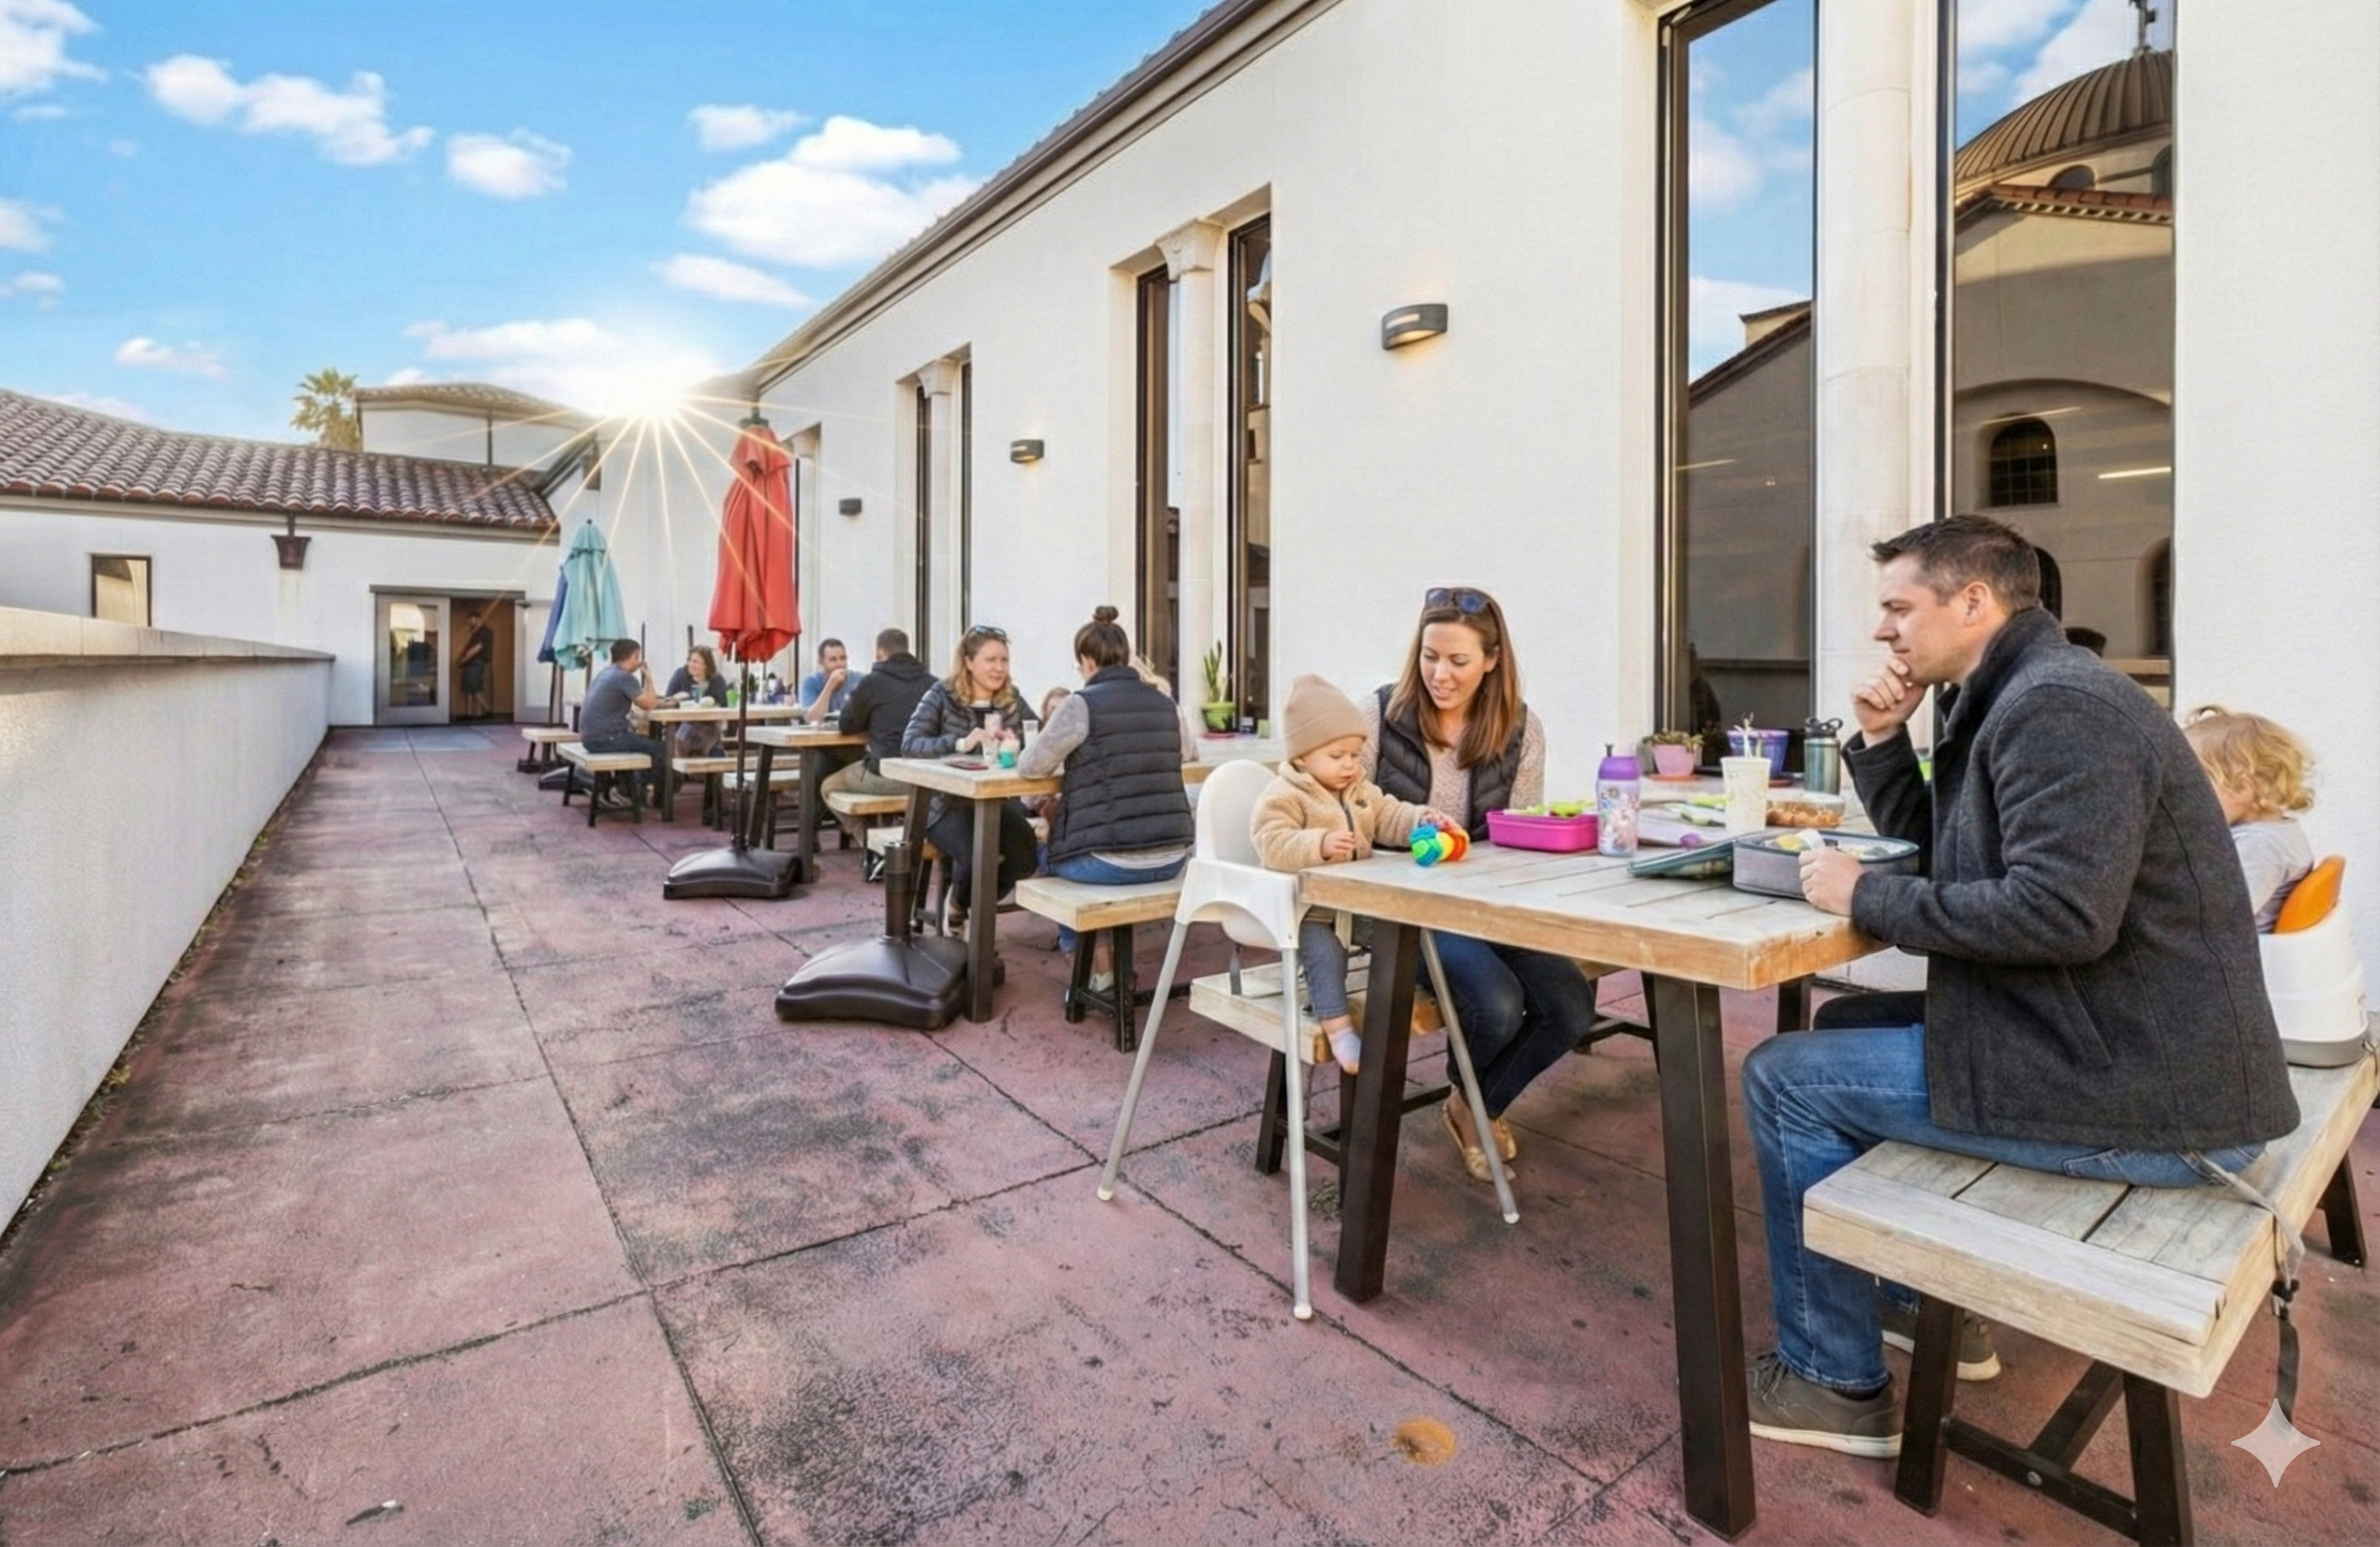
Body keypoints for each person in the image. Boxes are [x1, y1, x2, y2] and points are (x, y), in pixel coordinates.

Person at [1741, 514, 2297, 1459]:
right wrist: (1880, 739)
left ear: (1972, 601)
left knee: (1781, 1074)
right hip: (2114, 1041)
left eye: (1897, 606)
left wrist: (1865, 891)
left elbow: (2060, 915)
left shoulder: (2059, 708)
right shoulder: (2010, 697)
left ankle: (1834, 1378)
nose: (1883, 631)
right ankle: (1913, 1298)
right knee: (1848, 1015)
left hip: (2156, 1095)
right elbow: (1957, 859)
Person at [1362, 587, 1594, 1181]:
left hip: (1489, 902)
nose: (1440, 674)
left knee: (1569, 1005)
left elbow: (1520, 832)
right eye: (1430, 656)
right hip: (1403, 908)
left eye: (1458, 661)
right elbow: (1345, 803)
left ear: (1492, 659)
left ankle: (1473, 1103)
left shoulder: (1520, 729)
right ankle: (1477, 1109)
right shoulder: (1380, 715)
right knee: (1495, 1003)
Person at [1253, 675, 1446, 1073]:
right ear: (1303, 756)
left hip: (1356, 903)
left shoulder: (1359, 789)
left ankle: (1408, 1002)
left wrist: (1418, 820)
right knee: (1326, 956)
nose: (1349, 765)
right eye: (1337, 755)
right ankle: (1338, 1029)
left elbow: (1389, 814)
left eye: (1356, 755)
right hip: (1308, 910)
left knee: (1401, 932)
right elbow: (1270, 842)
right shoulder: (1284, 794)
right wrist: (1317, 844)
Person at [1017, 607, 1197, 989]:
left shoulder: (1081, 704)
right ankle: (1101, 966)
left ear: (1086, 660)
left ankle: (1093, 967)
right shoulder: (1165, 703)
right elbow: (1187, 752)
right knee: (1091, 850)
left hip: (1109, 861)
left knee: (1050, 853)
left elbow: (1031, 766)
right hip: (1173, 856)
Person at [902, 624, 1039, 933]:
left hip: (994, 802)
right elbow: (910, 743)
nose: (999, 668)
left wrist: (1018, 741)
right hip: (945, 805)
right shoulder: (942, 694)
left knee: (1025, 855)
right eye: (991, 660)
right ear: (968, 662)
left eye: (1003, 660)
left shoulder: (1011, 699)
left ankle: (961, 904)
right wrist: (960, 743)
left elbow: (1040, 737)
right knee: (978, 854)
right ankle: (967, 921)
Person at [2184, 706, 2318, 931]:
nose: (2185, 798)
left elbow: (2222, 917)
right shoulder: (2275, 832)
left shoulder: (2261, 847)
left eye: (2196, 786)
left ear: (2242, 789)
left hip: (2231, 959)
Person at [825, 628, 934, 805]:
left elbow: (846, 725)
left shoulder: (872, 682)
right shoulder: (932, 682)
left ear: (880, 653)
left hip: (887, 774)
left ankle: (862, 833)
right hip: (928, 778)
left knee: (829, 787)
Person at [579, 638, 664, 808]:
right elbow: (650, 704)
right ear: (634, 656)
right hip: (607, 739)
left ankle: (628, 788)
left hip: (590, 738)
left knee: (639, 742)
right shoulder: (625, 677)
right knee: (661, 750)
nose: (639, 661)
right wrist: (648, 677)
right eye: (638, 657)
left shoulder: (606, 672)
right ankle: (636, 793)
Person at [662, 644, 728, 757]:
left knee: (704, 736)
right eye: (690, 660)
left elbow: (723, 704)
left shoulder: (717, 680)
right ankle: (688, 770)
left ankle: (698, 768)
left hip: (708, 726)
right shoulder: (680, 675)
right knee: (685, 736)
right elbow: (666, 702)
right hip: (681, 725)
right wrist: (675, 699)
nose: (690, 665)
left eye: (695, 662)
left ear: (706, 665)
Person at [800, 638, 856, 724]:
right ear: (821, 662)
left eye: (843, 658)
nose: (839, 664)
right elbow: (812, 720)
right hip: (820, 736)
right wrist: (830, 685)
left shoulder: (859, 680)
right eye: (833, 660)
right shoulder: (811, 682)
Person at [456, 608, 495, 721]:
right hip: (472, 663)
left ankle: (487, 710)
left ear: (477, 619)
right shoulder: (476, 632)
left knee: (474, 689)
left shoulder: (484, 632)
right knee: (469, 689)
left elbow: (476, 649)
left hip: (475, 662)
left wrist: (463, 660)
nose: (469, 623)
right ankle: (468, 714)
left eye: (470, 620)